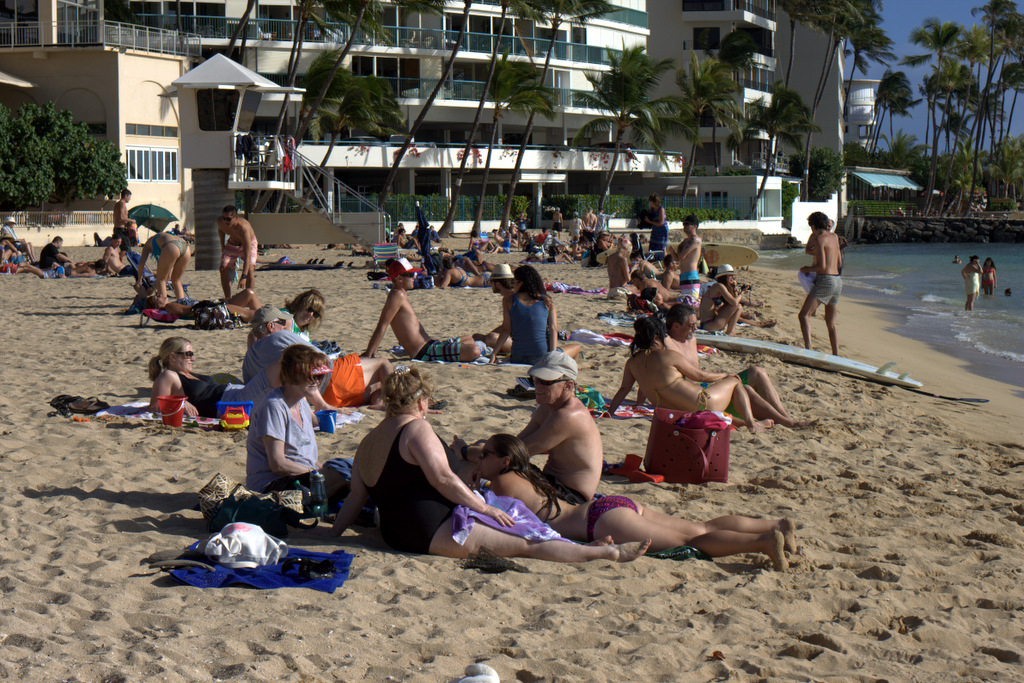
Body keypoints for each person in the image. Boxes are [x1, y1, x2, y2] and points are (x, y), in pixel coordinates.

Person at [324, 368, 649, 563]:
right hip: (432, 529)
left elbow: (356, 496)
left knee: (522, 537)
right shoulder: (416, 429)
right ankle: (604, 554)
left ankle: (589, 548)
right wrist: (486, 509)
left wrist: (334, 536)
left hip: (394, 533)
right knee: (527, 545)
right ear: (421, 402)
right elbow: (442, 480)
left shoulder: (368, 441)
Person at [476, 433, 793, 569]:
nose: (480, 458)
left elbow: (486, 511)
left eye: (485, 453)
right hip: (609, 506)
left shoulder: (501, 483)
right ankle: (775, 525)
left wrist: (469, 467)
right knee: (700, 527)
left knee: (694, 539)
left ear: (504, 461)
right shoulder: (527, 473)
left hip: (598, 521)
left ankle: (764, 542)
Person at [606, 317, 774, 433]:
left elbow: (624, 389)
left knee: (720, 400)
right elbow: (700, 376)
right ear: (657, 336)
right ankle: (752, 425)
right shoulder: (668, 356)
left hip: (675, 413)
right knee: (735, 382)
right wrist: (725, 374)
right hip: (701, 403)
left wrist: (609, 413)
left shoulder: (632, 362)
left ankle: (747, 423)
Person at [663, 304, 814, 429]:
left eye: (696, 324)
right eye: (691, 325)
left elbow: (700, 375)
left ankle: (785, 418)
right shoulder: (666, 345)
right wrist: (724, 376)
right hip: (695, 400)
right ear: (676, 326)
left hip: (707, 389)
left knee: (757, 372)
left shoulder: (691, 339)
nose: (695, 329)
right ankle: (788, 423)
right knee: (744, 389)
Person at [245, 344, 347, 496]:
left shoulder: (302, 403)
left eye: (319, 376)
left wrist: (320, 470)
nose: (317, 381)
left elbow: (305, 459)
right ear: (293, 374)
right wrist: (317, 473)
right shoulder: (274, 407)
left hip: (299, 476)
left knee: (350, 470)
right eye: (312, 376)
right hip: (271, 485)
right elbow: (278, 464)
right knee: (346, 477)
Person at [246, 306, 393, 409]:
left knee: (377, 386)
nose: (285, 326)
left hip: (311, 397)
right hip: (329, 378)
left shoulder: (248, 360)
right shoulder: (280, 336)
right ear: (271, 326)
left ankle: (378, 400)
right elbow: (322, 358)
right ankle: (397, 403)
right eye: (282, 322)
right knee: (383, 364)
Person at [514, 351, 604, 503]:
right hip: (553, 482)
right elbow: (518, 443)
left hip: (571, 497)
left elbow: (520, 452)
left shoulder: (568, 415)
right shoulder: (548, 406)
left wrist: (472, 452)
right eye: (535, 379)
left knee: (504, 472)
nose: (538, 385)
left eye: (546, 381)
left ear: (568, 385)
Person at [365, 257, 484, 363]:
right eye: (411, 275)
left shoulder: (400, 294)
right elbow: (382, 325)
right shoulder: (396, 295)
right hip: (425, 352)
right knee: (474, 350)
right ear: (400, 278)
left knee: (469, 339)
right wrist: (369, 353)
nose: (414, 277)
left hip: (430, 345)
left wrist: (373, 352)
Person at [147, 336, 283, 418]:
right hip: (231, 403)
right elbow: (154, 407)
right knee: (279, 366)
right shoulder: (169, 375)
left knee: (285, 391)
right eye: (188, 354)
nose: (193, 358)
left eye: (192, 354)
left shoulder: (187, 374)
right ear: (172, 356)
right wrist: (182, 403)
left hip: (237, 393)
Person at [490, 265, 580, 365]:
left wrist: (494, 353)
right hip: (540, 357)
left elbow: (506, 329)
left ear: (521, 283)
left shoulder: (508, 300)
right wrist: (552, 355)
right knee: (576, 347)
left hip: (517, 357)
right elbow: (553, 329)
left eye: (514, 282)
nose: (513, 285)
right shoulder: (547, 301)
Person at [798, 211, 843, 354]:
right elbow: (839, 263)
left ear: (813, 226)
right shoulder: (835, 237)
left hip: (826, 280)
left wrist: (806, 269)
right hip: (838, 280)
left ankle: (809, 349)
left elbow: (821, 267)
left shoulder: (819, 239)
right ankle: (836, 353)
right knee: (831, 323)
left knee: (803, 315)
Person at [146, 288, 263, 323]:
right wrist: (210, 306)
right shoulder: (169, 306)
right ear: (157, 305)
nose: (161, 295)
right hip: (214, 309)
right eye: (158, 297)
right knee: (250, 296)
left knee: (249, 293)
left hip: (215, 306)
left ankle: (264, 317)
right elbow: (188, 310)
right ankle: (264, 318)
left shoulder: (171, 304)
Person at [472, 264, 516, 355]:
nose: (490, 285)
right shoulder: (511, 296)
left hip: (521, 342)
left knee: (490, 338)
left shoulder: (511, 298)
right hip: (516, 337)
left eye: (491, 283)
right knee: (477, 336)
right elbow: (507, 326)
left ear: (498, 284)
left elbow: (508, 328)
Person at [217, 205, 258, 300]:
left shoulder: (243, 228)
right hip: (233, 243)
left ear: (235, 218)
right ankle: (228, 298)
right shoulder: (220, 222)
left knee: (250, 270)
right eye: (224, 218)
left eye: (228, 219)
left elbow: (247, 255)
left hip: (248, 243)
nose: (226, 221)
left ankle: (248, 297)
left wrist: (243, 276)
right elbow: (221, 231)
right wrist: (223, 246)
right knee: (223, 268)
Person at [137, 231, 192, 302]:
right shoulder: (162, 237)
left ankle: (163, 306)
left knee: (161, 280)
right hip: (185, 246)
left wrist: (139, 279)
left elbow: (141, 263)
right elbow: (169, 272)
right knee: (176, 281)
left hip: (171, 246)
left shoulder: (147, 244)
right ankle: (182, 303)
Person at [669, 215, 703, 304]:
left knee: (692, 303)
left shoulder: (695, 240)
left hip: (691, 276)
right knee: (686, 302)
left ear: (694, 226)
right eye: (684, 224)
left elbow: (682, 256)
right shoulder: (685, 241)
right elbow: (677, 258)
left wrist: (677, 250)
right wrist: (672, 252)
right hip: (684, 276)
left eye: (687, 224)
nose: (684, 226)